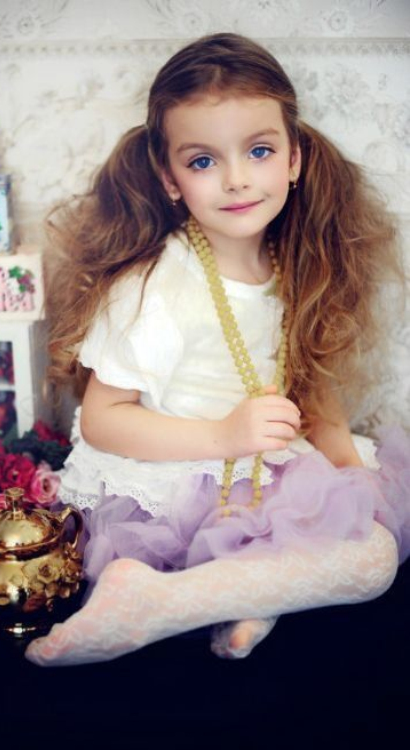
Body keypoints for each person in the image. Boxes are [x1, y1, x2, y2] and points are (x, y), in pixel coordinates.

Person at [25, 33, 410, 667]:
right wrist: (223, 437)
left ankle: (231, 597)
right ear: (169, 179)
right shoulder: (157, 285)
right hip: (180, 482)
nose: (236, 179)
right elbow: (102, 419)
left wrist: (350, 472)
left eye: (259, 151)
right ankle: (151, 598)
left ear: (294, 158)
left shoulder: (293, 261)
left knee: (374, 541)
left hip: (269, 470)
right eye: (203, 161)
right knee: (373, 567)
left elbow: (310, 385)